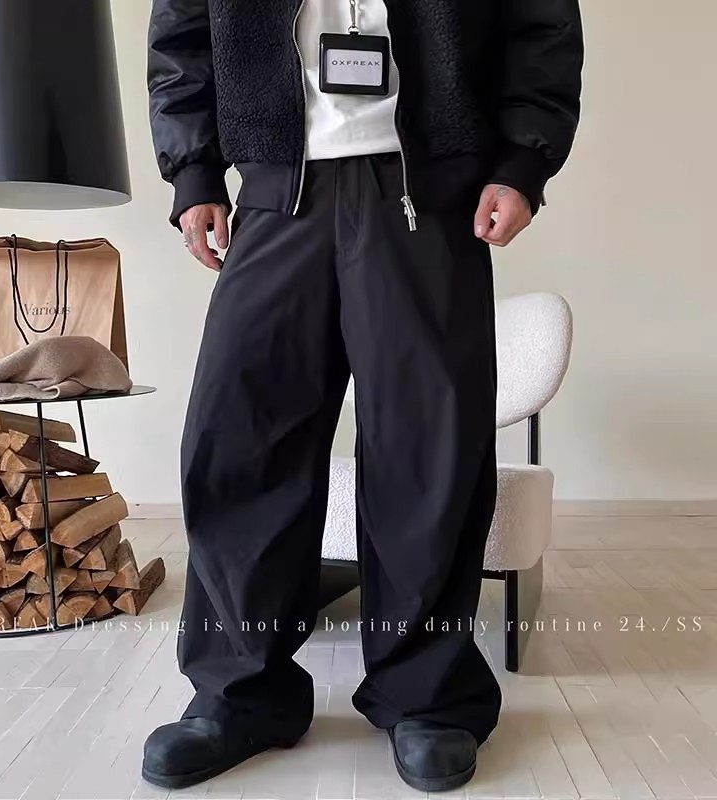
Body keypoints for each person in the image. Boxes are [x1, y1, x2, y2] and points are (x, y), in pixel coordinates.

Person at [144, 0, 583, 792]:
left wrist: (525, 158)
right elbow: (181, 29)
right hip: (277, 190)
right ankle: (241, 692)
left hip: (429, 194)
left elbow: (540, 19)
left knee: (428, 450)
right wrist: (193, 168)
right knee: (239, 440)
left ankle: (427, 696)